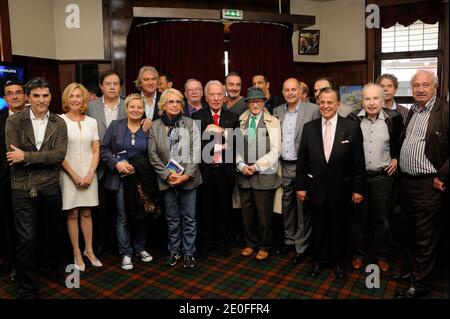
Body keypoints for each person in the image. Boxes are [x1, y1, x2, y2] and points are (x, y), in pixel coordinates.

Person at [5, 77, 68, 299]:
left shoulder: (59, 122)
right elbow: (13, 156)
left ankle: (50, 269)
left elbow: (59, 155)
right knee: (27, 239)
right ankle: (28, 288)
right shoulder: (14, 121)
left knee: (53, 234)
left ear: (51, 97)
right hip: (22, 187)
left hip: (50, 185)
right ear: (28, 98)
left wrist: (28, 156)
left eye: (46, 96)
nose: (42, 100)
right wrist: (40, 158)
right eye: (36, 96)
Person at [295, 88, 365, 279]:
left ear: (337, 104)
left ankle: (340, 263)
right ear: (318, 104)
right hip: (315, 188)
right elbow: (302, 160)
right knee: (318, 227)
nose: (326, 106)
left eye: (330, 102)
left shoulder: (351, 127)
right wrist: (300, 186)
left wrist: (358, 189)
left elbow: (358, 161)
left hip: (342, 188)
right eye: (322, 102)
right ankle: (319, 261)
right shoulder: (309, 128)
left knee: (340, 227)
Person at [394, 70, 448, 299]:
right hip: (407, 183)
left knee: (425, 236)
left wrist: (443, 176)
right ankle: (413, 272)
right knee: (409, 233)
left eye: (425, 85)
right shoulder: (414, 110)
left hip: (430, 184)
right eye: (416, 85)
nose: (420, 89)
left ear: (435, 86)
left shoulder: (444, 110)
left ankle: (420, 285)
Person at [347, 83, 403, 273]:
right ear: (362, 100)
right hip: (359, 179)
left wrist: (396, 157)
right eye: (367, 98)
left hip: (383, 178)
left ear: (382, 99)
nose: (371, 103)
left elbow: (401, 143)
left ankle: (381, 255)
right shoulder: (353, 120)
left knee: (382, 220)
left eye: (375, 98)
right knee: (357, 219)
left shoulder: (393, 119)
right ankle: (358, 254)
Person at [148, 88, 202, 268]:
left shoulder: (190, 123)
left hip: (189, 178)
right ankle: (174, 251)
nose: (174, 105)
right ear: (163, 105)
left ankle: (189, 252)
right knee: (172, 217)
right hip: (167, 180)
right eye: (170, 101)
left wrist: (186, 175)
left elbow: (196, 152)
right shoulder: (155, 126)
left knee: (189, 218)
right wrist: (168, 175)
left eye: (178, 102)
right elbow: (152, 155)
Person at [100, 94, 154, 271]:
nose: (136, 110)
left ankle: (140, 248)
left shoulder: (148, 127)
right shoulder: (116, 126)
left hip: (141, 180)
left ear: (143, 110)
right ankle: (125, 253)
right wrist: (117, 164)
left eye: (140, 107)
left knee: (141, 213)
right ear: (126, 108)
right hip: (121, 178)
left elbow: (153, 152)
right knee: (123, 215)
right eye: (133, 107)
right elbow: (103, 148)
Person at [273, 78, 320, 264]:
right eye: (287, 89)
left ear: (301, 91)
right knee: (287, 206)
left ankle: (302, 246)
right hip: (283, 165)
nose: (290, 93)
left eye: (294, 89)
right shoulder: (277, 111)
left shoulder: (313, 109)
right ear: (282, 91)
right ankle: (289, 240)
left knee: (302, 207)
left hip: (303, 167)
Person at [192, 81, 239, 258]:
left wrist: (217, 129)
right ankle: (206, 242)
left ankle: (222, 242)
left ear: (224, 96)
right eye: (212, 94)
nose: (216, 98)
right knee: (204, 209)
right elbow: (196, 145)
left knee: (224, 209)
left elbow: (238, 144)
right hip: (205, 171)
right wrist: (214, 137)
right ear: (206, 96)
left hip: (224, 171)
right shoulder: (197, 117)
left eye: (220, 94)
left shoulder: (233, 117)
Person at [60, 83, 102, 271]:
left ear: (83, 99)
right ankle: (77, 252)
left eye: (78, 96)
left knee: (86, 213)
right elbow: (59, 153)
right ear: (66, 99)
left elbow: (96, 149)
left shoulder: (91, 122)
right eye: (72, 96)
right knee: (72, 213)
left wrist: (90, 173)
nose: (75, 99)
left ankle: (89, 251)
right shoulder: (59, 121)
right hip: (68, 172)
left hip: (89, 172)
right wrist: (75, 176)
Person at [237, 87, 282, 261]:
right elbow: (236, 146)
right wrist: (241, 165)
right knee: (247, 213)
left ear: (264, 102)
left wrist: (256, 166)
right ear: (247, 103)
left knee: (264, 214)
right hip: (244, 175)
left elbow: (276, 150)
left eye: (258, 101)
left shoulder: (273, 121)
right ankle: (250, 243)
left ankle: (265, 245)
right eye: (252, 101)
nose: (255, 104)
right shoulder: (241, 120)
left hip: (264, 174)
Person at [87, 70, 127, 256]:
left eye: (116, 84)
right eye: (108, 83)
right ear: (101, 86)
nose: (112, 87)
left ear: (120, 86)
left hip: (122, 163)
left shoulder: (128, 105)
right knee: (100, 206)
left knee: (121, 208)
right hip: (98, 165)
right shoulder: (91, 106)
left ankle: (120, 243)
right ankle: (101, 242)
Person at [0, 81, 26, 282]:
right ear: (5, 98)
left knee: (31, 225)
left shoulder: (35, 117)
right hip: (5, 182)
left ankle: (35, 262)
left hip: (33, 180)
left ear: (25, 96)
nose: (14, 96)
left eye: (18, 93)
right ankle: (15, 265)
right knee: (9, 225)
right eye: (10, 94)